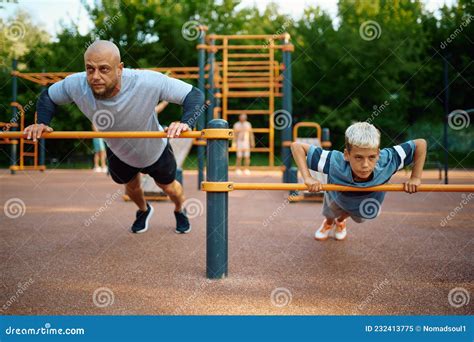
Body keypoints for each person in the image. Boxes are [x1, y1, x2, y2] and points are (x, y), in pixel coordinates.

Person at [25, 40, 204, 234]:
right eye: (90, 69)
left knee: (169, 188)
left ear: (119, 69)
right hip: (120, 151)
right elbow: (48, 96)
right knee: (131, 188)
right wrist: (42, 121)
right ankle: (144, 210)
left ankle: (179, 209)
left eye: (104, 69)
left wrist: (186, 122)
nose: (96, 76)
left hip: (154, 149)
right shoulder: (76, 84)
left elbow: (194, 95)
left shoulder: (146, 81)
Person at [291, 121, 427, 241]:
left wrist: (415, 177)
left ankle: (341, 221)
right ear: (346, 155)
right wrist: (308, 178)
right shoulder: (334, 162)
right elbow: (297, 147)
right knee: (330, 212)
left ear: (378, 154)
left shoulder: (388, 160)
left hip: (366, 203)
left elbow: (420, 144)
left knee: (363, 215)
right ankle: (328, 222)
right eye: (358, 157)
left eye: (372, 157)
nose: (365, 165)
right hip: (337, 196)